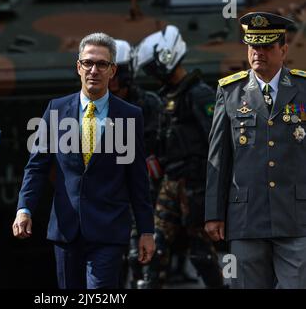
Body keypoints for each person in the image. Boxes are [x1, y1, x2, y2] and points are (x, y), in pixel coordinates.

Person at [12, 32, 155, 289]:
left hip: (109, 230)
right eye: (88, 62)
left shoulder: (130, 115)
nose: (94, 70)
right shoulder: (56, 109)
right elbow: (37, 166)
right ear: (78, 67)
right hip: (66, 229)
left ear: (112, 70)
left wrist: (146, 231)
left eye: (102, 64)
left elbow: (137, 179)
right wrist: (24, 209)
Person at [205, 11, 306, 289]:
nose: (258, 52)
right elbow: (219, 157)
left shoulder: (303, 88)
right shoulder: (230, 91)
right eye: (253, 46)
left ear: (283, 50)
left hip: (296, 217)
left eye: (266, 46)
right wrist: (214, 213)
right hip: (246, 218)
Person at [135, 25, 224, 288]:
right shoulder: (167, 97)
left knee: (200, 249)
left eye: (153, 68)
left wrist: (208, 185)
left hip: (194, 183)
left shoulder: (199, 94)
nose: (151, 74)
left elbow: (216, 141)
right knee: (154, 242)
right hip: (171, 181)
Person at [108, 39, 163, 288]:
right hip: (107, 189)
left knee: (139, 255)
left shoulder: (149, 104)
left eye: (118, 72)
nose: (112, 80)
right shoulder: (90, 106)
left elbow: (159, 144)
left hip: (145, 187)